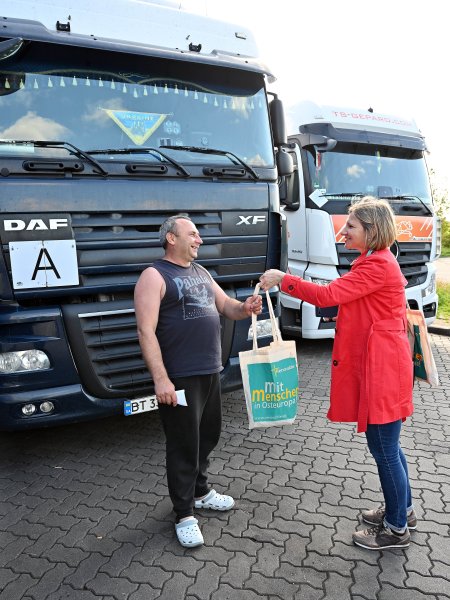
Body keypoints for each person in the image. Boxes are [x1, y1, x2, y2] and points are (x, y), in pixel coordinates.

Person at [259, 196, 415, 551]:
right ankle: (402, 509)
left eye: (352, 226)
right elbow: (355, 302)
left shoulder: (376, 265)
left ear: (371, 231)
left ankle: (395, 529)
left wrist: (285, 279)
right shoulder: (373, 261)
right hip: (384, 364)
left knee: (384, 447)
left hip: (383, 369)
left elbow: (329, 296)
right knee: (388, 445)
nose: (343, 232)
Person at [134, 214, 262, 548]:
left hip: (209, 371)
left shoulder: (202, 273)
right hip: (179, 376)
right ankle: (184, 513)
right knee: (183, 444)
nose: (199, 239)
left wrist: (246, 306)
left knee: (208, 436)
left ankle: (201, 491)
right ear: (171, 238)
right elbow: (145, 330)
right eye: (192, 234)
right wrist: (161, 380)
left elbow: (227, 307)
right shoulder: (154, 275)